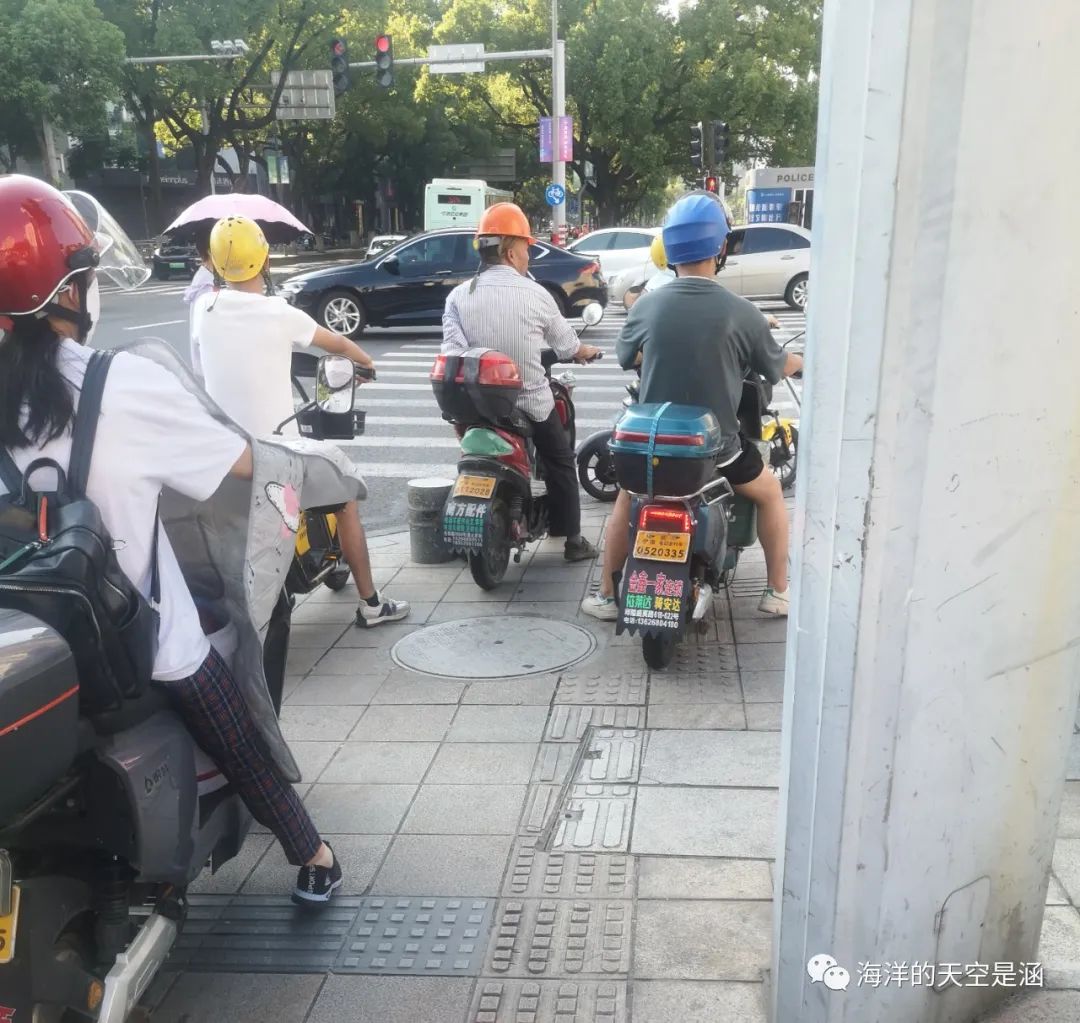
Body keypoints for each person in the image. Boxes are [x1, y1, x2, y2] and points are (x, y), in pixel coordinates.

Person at [0, 175, 342, 904]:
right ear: (69, 291)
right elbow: (243, 463)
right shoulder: (119, 384)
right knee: (236, 727)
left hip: (23, 642)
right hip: (134, 644)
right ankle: (312, 853)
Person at [582, 192, 804, 620]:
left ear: (671, 250)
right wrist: (802, 364)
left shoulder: (646, 305)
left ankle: (607, 596)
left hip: (651, 447)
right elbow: (776, 365)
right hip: (715, 450)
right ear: (721, 247)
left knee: (627, 498)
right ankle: (777, 591)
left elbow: (628, 356)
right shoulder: (742, 312)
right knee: (771, 492)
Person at [193, 215, 409, 628]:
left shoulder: (204, 308)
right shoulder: (279, 313)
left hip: (224, 454)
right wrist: (366, 363)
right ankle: (371, 605)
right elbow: (337, 342)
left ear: (217, 264)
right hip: (276, 455)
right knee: (346, 499)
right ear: (265, 259)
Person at [441, 202, 604, 561]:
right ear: (511, 251)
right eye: (527, 248)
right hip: (529, 403)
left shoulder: (458, 296)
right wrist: (586, 351)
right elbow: (567, 346)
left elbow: (453, 352)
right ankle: (573, 540)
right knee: (561, 461)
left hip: (474, 407)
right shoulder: (536, 294)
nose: (528, 256)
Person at [183, 223, 216, 382]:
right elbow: (204, 328)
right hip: (210, 363)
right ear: (210, 251)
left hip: (208, 362)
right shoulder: (205, 284)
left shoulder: (206, 277)